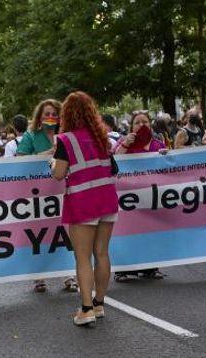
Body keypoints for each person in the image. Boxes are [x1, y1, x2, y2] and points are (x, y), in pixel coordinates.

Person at [49, 91, 118, 325]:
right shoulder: (103, 138)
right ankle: (99, 305)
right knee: (102, 254)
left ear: (67, 114)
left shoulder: (66, 140)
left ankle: (86, 309)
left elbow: (58, 174)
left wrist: (52, 163)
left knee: (82, 258)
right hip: (107, 200)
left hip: (82, 202)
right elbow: (113, 169)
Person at [17, 99, 77, 293]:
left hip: (63, 190)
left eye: (54, 113)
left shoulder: (67, 135)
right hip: (38, 194)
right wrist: (47, 153)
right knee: (39, 234)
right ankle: (39, 276)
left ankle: (68, 274)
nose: (50, 117)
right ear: (39, 117)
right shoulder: (31, 135)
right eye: (46, 114)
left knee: (65, 232)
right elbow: (20, 159)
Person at [113, 111, 169, 281]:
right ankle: (123, 270)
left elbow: (167, 168)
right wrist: (125, 146)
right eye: (137, 122)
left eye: (145, 122)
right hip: (128, 197)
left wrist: (166, 157)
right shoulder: (123, 143)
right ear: (131, 127)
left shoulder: (158, 145)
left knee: (151, 231)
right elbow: (113, 162)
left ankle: (150, 268)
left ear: (150, 125)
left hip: (150, 196)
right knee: (128, 232)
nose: (141, 125)